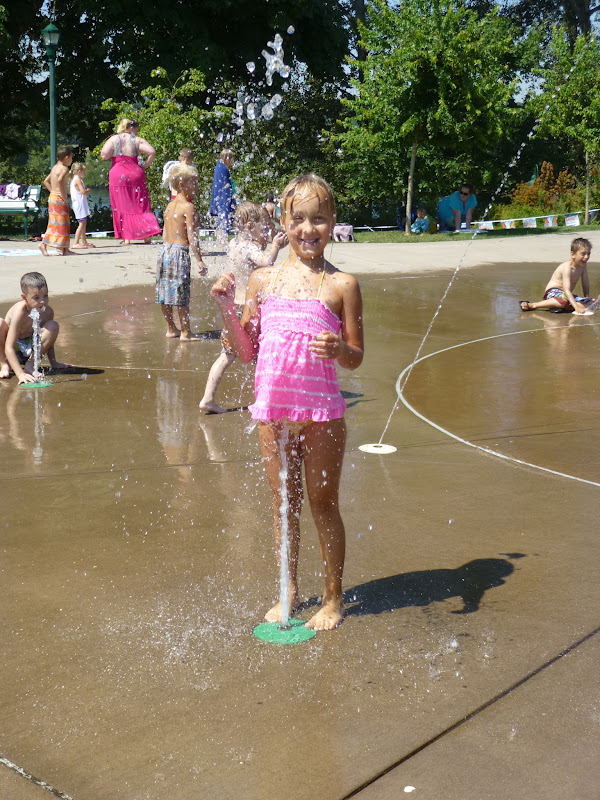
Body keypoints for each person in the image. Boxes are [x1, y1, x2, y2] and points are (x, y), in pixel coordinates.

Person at [210, 174, 364, 631]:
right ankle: (288, 590)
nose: (307, 229)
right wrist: (225, 307)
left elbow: (355, 357)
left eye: (319, 219)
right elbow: (247, 351)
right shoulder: (263, 280)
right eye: (297, 219)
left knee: (323, 505)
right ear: (282, 221)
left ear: (332, 221)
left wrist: (339, 348)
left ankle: (333, 598)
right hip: (273, 414)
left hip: (322, 416)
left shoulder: (343, 285)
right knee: (284, 507)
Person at [199, 202, 288, 413]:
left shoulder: (234, 244)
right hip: (248, 311)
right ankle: (266, 397)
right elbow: (266, 262)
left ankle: (208, 398)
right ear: (249, 226)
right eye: (263, 228)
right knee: (262, 353)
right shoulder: (249, 247)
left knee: (227, 355)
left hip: (233, 310)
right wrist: (276, 246)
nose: (266, 233)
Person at [155, 164, 207, 340]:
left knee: (164, 293)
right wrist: (199, 260)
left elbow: (164, 233)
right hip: (179, 252)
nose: (197, 186)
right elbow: (192, 237)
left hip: (165, 251)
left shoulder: (169, 206)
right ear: (181, 184)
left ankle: (171, 328)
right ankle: (186, 332)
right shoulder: (188, 207)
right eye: (194, 182)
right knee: (181, 294)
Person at [100, 118, 161, 245]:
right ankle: (147, 237)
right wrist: (145, 165)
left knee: (122, 206)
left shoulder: (114, 139)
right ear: (132, 128)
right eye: (137, 129)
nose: (137, 132)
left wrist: (116, 155)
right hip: (136, 173)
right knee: (141, 204)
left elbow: (104, 155)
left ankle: (127, 238)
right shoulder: (137, 140)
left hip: (118, 175)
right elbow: (152, 152)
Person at [0, 272, 67, 382]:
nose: (43, 301)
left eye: (45, 296)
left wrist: (53, 362)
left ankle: (30, 365)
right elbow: (9, 347)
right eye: (36, 298)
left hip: (31, 349)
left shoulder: (48, 312)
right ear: (24, 298)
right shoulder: (19, 312)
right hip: (12, 349)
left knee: (53, 326)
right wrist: (20, 374)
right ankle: (5, 364)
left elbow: (49, 340)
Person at [519, 238, 593, 314]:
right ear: (573, 254)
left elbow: (585, 283)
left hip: (565, 296)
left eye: (588, 254)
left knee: (592, 303)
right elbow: (566, 290)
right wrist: (576, 306)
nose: (586, 257)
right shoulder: (567, 268)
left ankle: (560, 306)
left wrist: (587, 298)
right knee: (565, 300)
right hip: (553, 293)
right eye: (583, 254)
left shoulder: (583, 266)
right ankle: (533, 305)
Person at [38, 147, 74, 257]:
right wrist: (63, 194)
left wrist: (53, 191)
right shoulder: (64, 169)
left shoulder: (54, 168)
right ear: (66, 158)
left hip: (53, 197)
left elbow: (46, 181)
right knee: (63, 224)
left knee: (54, 223)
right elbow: (59, 180)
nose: (71, 160)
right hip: (58, 198)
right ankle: (62, 248)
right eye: (71, 158)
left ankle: (62, 248)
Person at [209, 149, 235, 245]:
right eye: (231, 159)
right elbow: (225, 185)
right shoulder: (223, 168)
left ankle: (220, 237)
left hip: (219, 195)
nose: (231, 161)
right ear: (226, 158)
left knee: (221, 216)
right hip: (223, 196)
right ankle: (223, 238)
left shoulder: (219, 166)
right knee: (225, 216)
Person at [70, 162, 93, 249]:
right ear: (79, 171)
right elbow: (83, 192)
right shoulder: (77, 180)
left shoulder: (74, 180)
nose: (84, 174)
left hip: (79, 203)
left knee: (83, 222)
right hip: (79, 204)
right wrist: (87, 191)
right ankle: (76, 242)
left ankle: (84, 241)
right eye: (84, 172)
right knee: (82, 223)